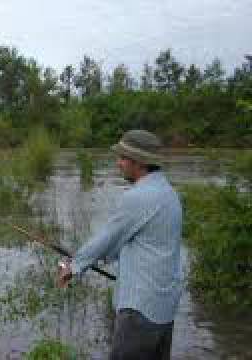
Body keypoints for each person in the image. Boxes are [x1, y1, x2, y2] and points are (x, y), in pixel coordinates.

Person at [57, 129, 182, 360]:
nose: (119, 163)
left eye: (123, 158)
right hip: (165, 308)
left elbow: (106, 239)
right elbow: (128, 242)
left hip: (140, 311)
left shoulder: (138, 197)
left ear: (139, 162)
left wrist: (73, 267)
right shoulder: (170, 193)